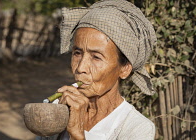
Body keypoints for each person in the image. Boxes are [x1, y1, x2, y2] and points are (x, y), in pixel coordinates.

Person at [37, 0, 157, 139]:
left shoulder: (137, 128)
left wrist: (77, 134)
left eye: (96, 57)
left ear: (124, 69)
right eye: (77, 53)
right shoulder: (60, 108)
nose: (81, 68)